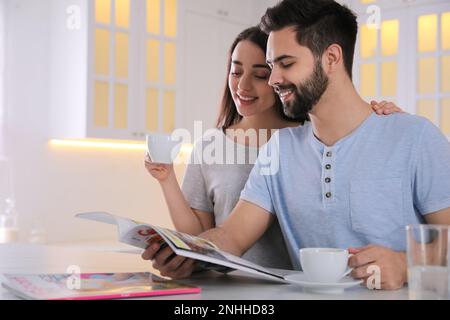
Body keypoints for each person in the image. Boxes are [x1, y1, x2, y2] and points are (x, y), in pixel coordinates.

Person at [143, 11, 410, 283]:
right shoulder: (271, 148)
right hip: (243, 287)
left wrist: (406, 264)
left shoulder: (399, 135)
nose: (266, 80)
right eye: (236, 72)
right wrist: (184, 251)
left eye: (268, 71)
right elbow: (226, 236)